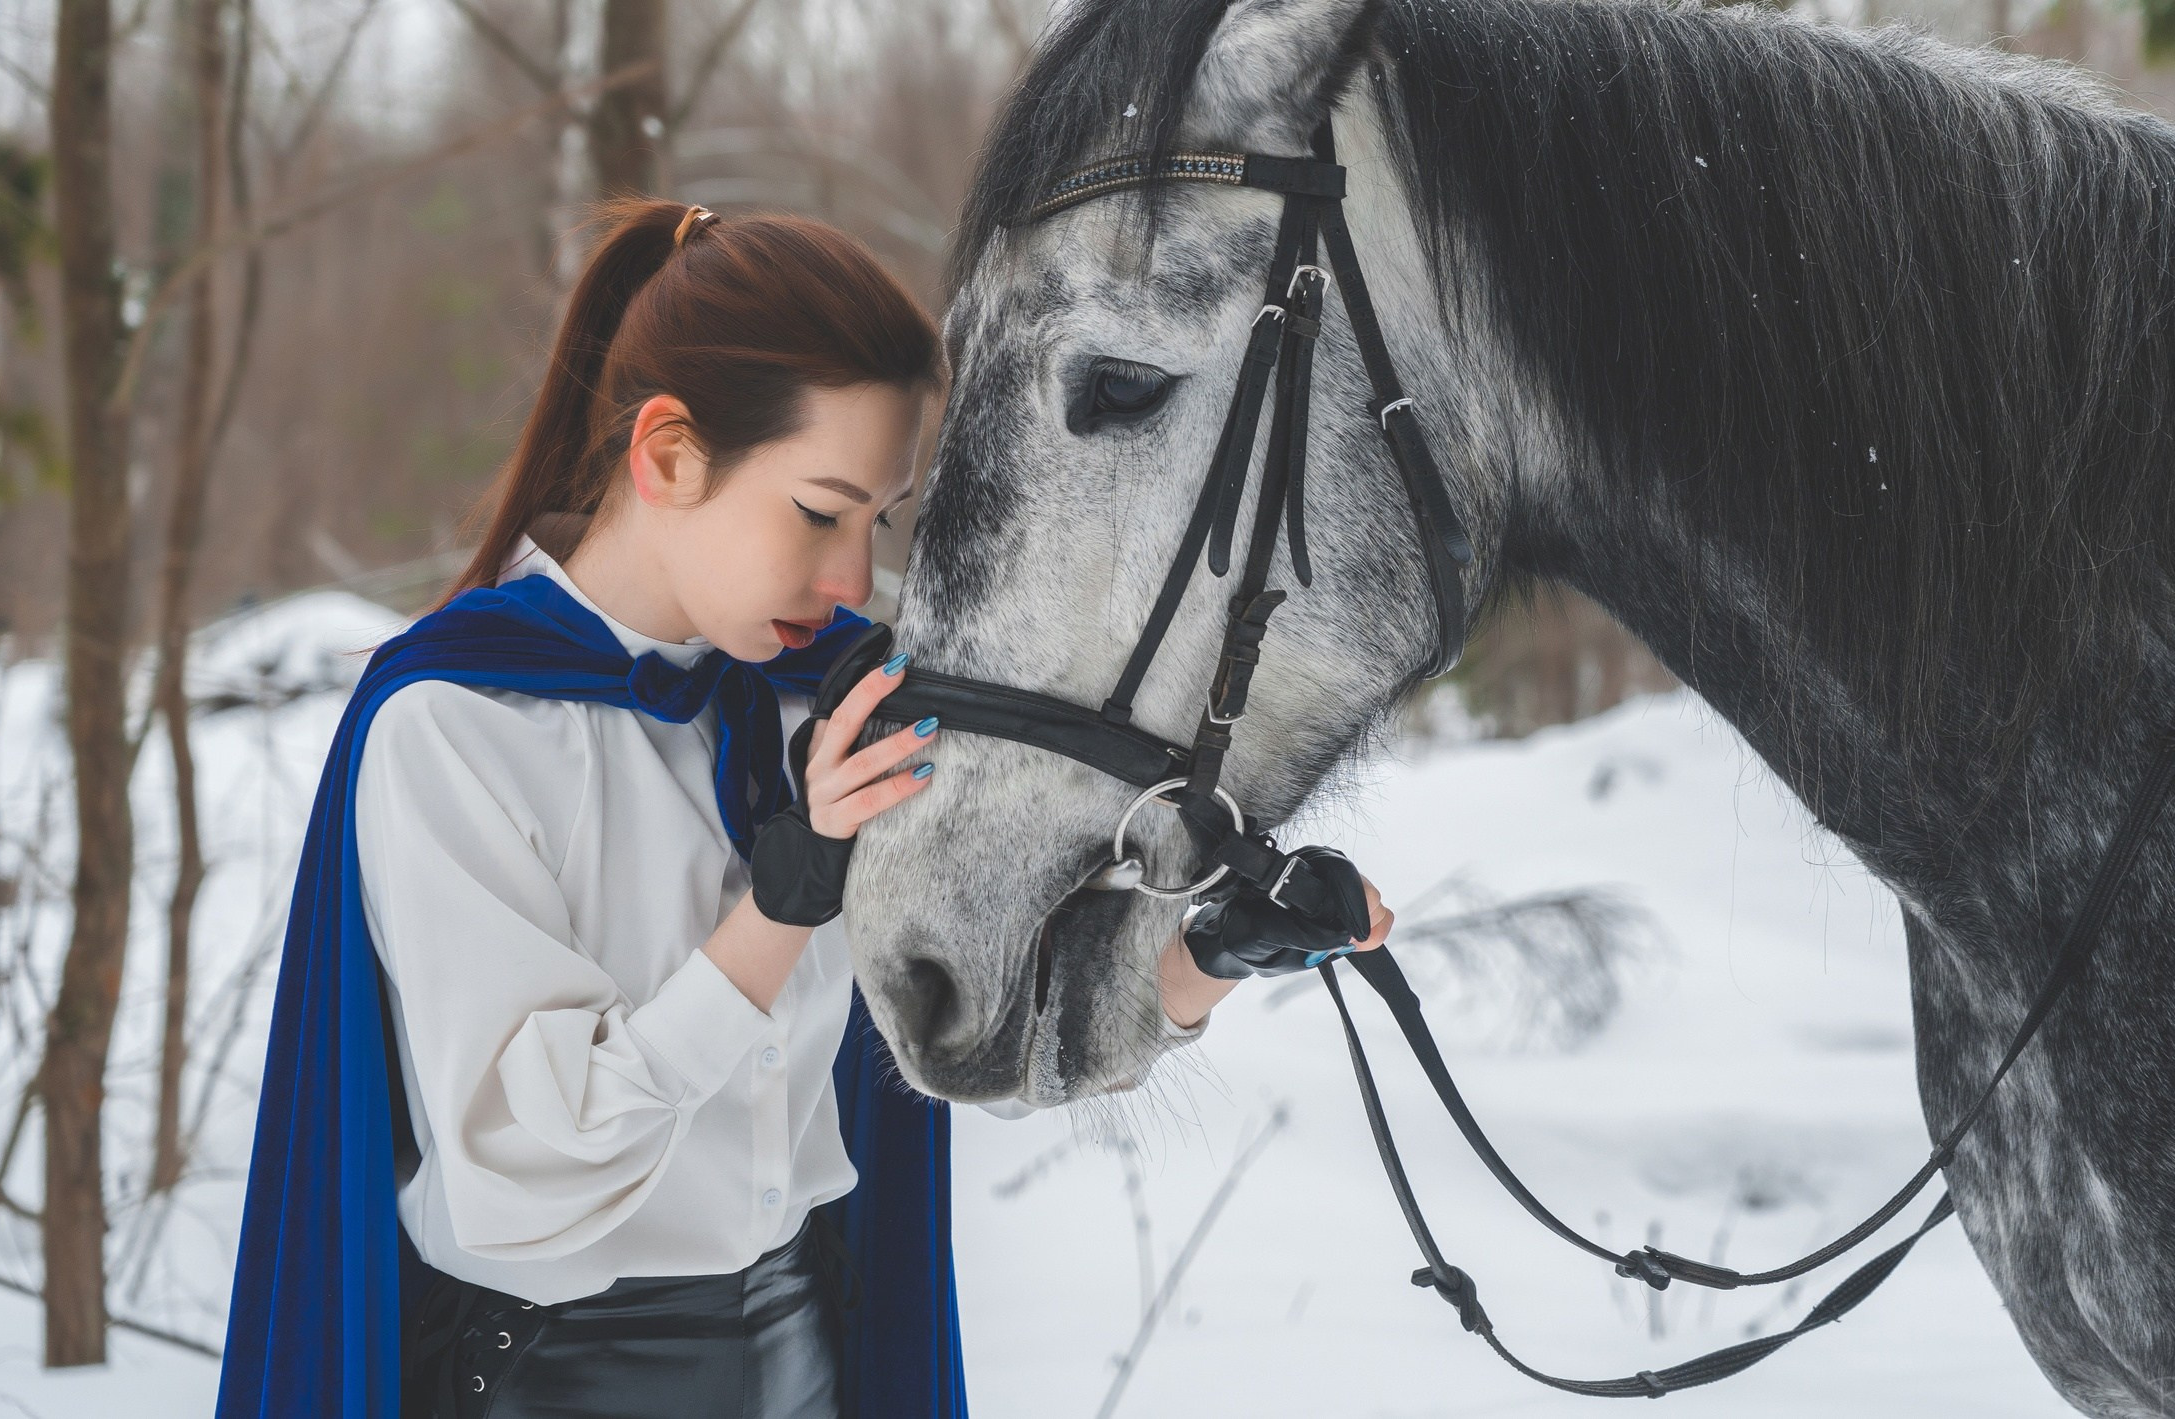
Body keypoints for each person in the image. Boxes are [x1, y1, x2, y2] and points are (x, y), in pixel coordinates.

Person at [215, 200, 1393, 1419]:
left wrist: (1213, 953)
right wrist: (782, 908)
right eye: (817, 512)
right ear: (667, 456)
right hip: (552, 1379)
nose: (850, 579)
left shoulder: (819, 704)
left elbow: (997, 1024)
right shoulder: (460, 727)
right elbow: (526, 1159)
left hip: (811, 1359)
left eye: (877, 522)